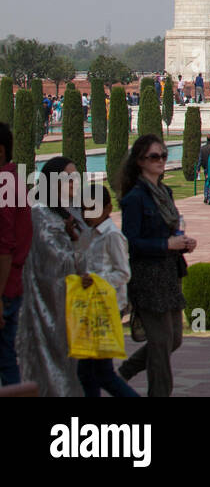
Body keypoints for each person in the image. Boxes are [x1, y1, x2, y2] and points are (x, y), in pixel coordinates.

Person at [118, 136, 193, 396]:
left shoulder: (165, 192)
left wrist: (182, 243)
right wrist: (165, 245)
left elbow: (170, 229)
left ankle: (126, 370)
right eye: (154, 157)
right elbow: (132, 242)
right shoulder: (135, 198)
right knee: (160, 344)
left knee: (173, 339)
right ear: (140, 161)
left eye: (163, 155)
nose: (161, 160)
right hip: (147, 275)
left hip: (170, 272)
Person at [14, 154, 86, 396]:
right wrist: (76, 244)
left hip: (68, 305)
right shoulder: (40, 215)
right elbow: (56, 263)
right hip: (48, 308)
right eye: (67, 178)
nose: (73, 183)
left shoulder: (68, 213)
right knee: (52, 369)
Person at [76, 183, 138, 397]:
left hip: (107, 308)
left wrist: (96, 281)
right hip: (92, 308)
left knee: (102, 372)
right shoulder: (90, 233)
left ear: (108, 209)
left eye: (93, 208)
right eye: (84, 209)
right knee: (85, 370)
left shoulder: (112, 235)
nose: (87, 214)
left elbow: (124, 273)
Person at [0, 123, 32, 387]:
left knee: (7, 360)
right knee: (7, 358)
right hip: (13, 285)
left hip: (4, 289)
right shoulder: (13, 180)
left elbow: (4, 249)